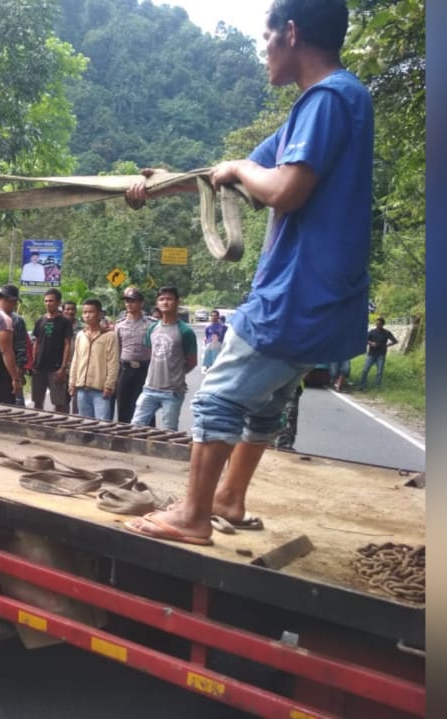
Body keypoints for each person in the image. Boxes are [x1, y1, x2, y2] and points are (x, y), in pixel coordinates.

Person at [121, 0, 373, 544]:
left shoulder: (328, 99)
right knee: (267, 401)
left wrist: (237, 167)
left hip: (296, 290)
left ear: (290, 32)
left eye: (264, 38)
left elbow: (282, 189)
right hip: (327, 298)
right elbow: (226, 178)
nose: (262, 51)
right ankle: (229, 498)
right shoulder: (326, 105)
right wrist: (165, 181)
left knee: (215, 397)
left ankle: (192, 516)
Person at [131, 286, 199, 431]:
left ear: (177, 302)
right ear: (157, 303)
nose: (165, 302)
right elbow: (151, 354)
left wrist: (176, 374)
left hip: (172, 392)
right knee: (136, 426)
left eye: (169, 299)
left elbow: (192, 362)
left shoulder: (185, 331)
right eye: (162, 299)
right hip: (149, 388)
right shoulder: (152, 328)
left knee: (169, 431)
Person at [68, 299, 120, 420]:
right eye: (85, 312)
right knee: (86, 425)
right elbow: (76, 360)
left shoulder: (109, 336)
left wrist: (109, 386)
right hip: (82, 389)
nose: (87, 315)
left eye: (91, 312)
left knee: (102, 426)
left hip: (100, 390)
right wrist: (72, 382)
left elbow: (113, 363)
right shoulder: (81, 335)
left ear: (100, 314)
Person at [114, 286, 155, 423]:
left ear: (141, 303)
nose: (129, 304)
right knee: (124, 405)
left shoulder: (150, 324)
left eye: (133, 301)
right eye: (126, 301)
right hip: (126, 369)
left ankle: (147, 437)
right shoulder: (119, 325)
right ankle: (124, 437)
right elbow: (117, 349)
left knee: (146, 406)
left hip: (145, 369)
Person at [30, 288, 74, 412]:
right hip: (39, 368)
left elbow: (67, 345)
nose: (48, 303)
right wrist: (34, 362)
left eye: (51, 301)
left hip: (56, 369)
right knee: (37, 401)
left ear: (59, 302)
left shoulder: (64, 322)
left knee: (59, 403)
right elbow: (36, 342)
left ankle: (59, 428)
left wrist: (63, 368)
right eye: (46, 301)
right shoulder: (40, 321)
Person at [357, 317, 398, 390]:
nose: (377, 325)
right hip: (371, 354)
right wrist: (370, 343)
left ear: (383, 324)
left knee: (379, 372)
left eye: (379, 324)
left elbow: (395, 341)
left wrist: (387, 345)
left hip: (381, 354)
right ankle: (362, 385)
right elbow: (365, 340)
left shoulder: (386, 333)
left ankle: (377, 387)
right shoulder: (372, 332)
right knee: (365, 370)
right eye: (376, 323)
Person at [202, 310, 227, 374]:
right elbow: (207, 336)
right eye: (212, 316)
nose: (213, 317)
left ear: (218, 317)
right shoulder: (208, 327)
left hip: (219, 347)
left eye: (215, 316)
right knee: (209, 364)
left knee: (217, 364)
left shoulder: (223, 327)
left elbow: (225, 337)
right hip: (210, 345)